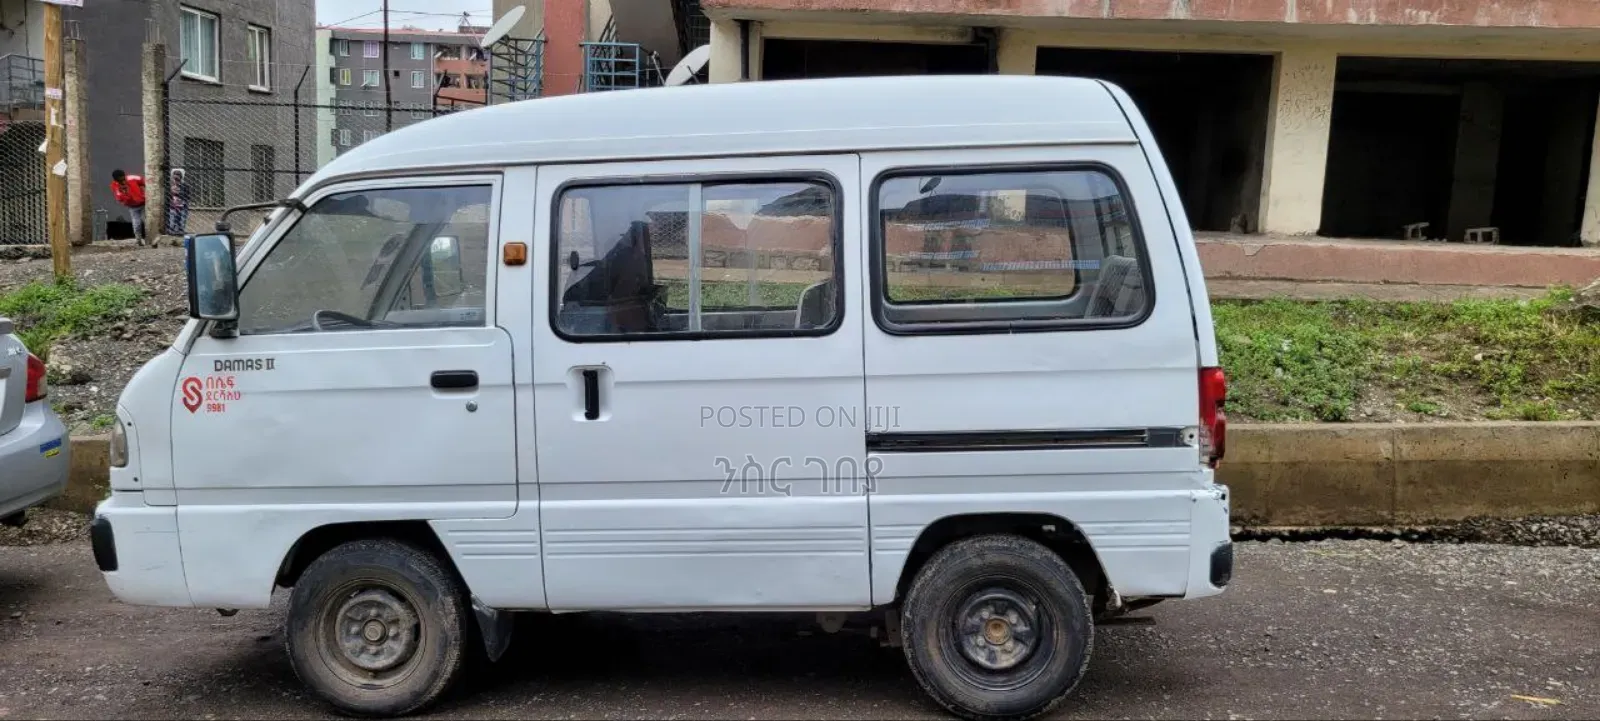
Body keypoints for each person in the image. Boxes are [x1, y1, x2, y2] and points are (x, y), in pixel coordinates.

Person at [110, 169, 148, 245]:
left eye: (123, 179)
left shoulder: (132, 178)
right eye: (120, 181)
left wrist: (145, 195)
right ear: (116, 180)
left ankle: (149, 239)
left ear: (125, 176)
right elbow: (119, 197)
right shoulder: (114, 185)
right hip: (132, 207)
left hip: (144, 204)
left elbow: (146, 183)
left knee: (147, 221)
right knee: (137, 223)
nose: (123, 182)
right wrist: (127, 195)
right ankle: (138, 240)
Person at [167, 168, 190, 236]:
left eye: (178, 175)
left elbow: (187, 195)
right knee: (172, 219)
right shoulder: (170, 185)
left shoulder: (184, 185)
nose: (176, 176)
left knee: (182, 219)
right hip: (173, 206)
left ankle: (180, 230)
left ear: (181, 176)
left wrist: (178, 192)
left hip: (182, 206)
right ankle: (172, 230)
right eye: (175, 174)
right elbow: (168, 195)